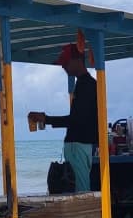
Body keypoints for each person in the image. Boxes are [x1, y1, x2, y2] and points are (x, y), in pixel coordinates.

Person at [28, 43, 99, 193]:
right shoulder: (86, 84)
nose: (63, 67)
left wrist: (46, 119)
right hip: (84, 144)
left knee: (81, 191)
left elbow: (76, 119)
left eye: (65, 63)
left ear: (77, 60)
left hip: (78, 144)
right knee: (80, 188)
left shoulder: (86, 85)